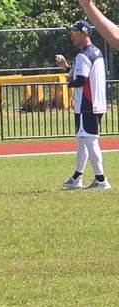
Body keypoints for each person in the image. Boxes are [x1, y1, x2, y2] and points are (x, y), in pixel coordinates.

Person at [55, 20, 111, 190]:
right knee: (82, 140)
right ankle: (77, 177)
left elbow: (80, 80)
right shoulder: (96, 52)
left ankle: (101, 180)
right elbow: (82, 75)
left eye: (75, 33)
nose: (72, 36)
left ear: (84, 33)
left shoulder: (83, 55)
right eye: (71, 33)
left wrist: (67, 84)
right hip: (95, 103)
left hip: (87, 104)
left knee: (90, 141)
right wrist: (66, 68)